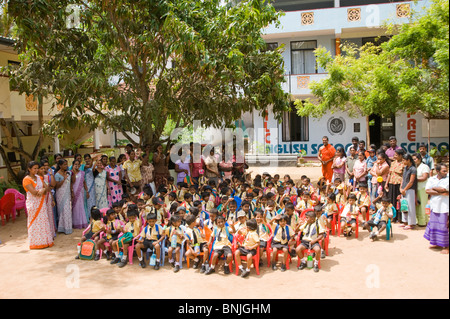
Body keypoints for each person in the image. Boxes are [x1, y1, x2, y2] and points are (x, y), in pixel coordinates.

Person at [23, 161, 54, 249]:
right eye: (34, 168)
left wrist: (43, 190)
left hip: (42, 203)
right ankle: (36, 243)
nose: (36, 170)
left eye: (37, 168)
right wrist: (42, 190)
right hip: (33, 204)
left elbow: (47, 188)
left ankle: (45, 241)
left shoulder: (39, 178)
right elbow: (34, 192)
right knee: (35, 223)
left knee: (43, 221)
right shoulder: (26, 179)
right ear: (29, 169)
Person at [424, 164, 449, 254]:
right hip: (435, 206)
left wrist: (434, 188)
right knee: (435, 225)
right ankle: (438, 243)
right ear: (437, 171)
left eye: (446, 170)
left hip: (445, 206)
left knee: (445, 226)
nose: (446, 172)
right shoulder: (431, 179)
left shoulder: (448, 178)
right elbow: (427, 191)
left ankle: (447, 246)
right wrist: (441, 192)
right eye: (444, 171)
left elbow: (443, 189)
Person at [385, 148, 405, 222]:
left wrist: (401, 186)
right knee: (392, 201)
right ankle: (393, 216)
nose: (394, 156)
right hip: (391, 183)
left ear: (400, 155)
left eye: (396, 155)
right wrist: (386, 183)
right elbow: (390, 174)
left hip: (399, 184)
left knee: (398, 201)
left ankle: (399, 218)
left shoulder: (403, 164)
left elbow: (403, 176)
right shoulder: (393, 163)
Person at [54, 159, 73, 235]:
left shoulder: (68, 173)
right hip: (60, 195)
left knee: (68, 210)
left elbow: (70, 183)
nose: (66, 166)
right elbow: (57, 186)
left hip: (67, 194)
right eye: (64, 164)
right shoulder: (57, 175)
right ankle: (62, 228)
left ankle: (68, 227)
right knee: (62, 210)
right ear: (60, 165)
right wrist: (63, 179)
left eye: (66, 164)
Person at [413, 152, 431, 226]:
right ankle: (417, 220)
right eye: (413, 159)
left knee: (422, 204)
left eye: (415, 159)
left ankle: (423, 221)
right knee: (417, 204)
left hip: (423, 188)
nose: (414, 160)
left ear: (419, 159)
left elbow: (424, 177)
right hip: (416, 188)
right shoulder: (414, 167)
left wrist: (413, 179)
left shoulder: (424, 166)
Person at [400, 154, 417, 230]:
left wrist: (404, 189)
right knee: (404, 205)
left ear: (408, 160)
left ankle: (411, 223)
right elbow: (403, 179)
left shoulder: (413, 169)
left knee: (410, 206)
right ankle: (405, 222)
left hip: (410, 189)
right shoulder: (405, 168)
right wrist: (401, 188)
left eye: (404, 160)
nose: (403, 161)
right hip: (404, 189)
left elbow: (411, 181)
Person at [71, 159, 89, 229]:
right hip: (74, 192)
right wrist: (74, 172)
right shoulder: (71, 173)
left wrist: (87, 191)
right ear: (73, 165)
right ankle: (75, 223)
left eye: (78, 165)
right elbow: (72, 182)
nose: (77, 166)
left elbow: (84, 182)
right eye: (75, 164)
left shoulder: (82, 173)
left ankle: (82, 222)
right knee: (75, 208)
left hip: (81, 192)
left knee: (81, 207)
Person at [83, 154, 97, 222]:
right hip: (87, 186)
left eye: (88, 158)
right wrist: (92, 160)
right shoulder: (83, 166)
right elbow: (90, 166)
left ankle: (94, 215)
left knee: (93, 200)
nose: (87, 160)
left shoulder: (93, 166)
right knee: (88, 201)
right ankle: (89, 215)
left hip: (92, 185)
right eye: (86, 159)